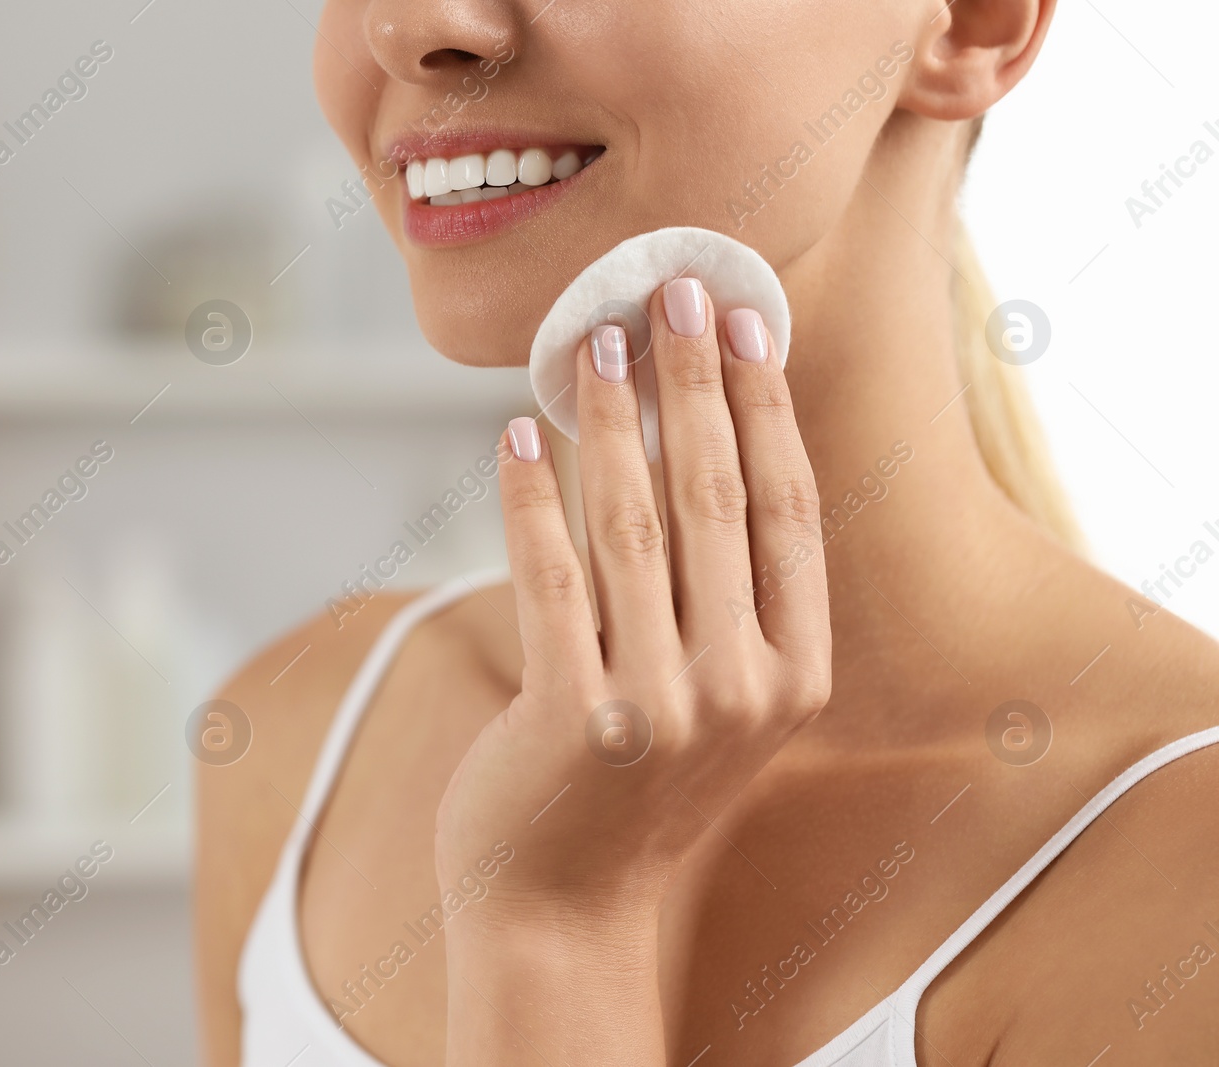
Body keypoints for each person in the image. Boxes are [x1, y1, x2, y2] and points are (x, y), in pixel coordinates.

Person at [196, 0, 1219, 1062]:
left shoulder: (1189, 882)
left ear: (971, 24)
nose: (415, 27)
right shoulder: (298, 735)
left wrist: (555, 927)